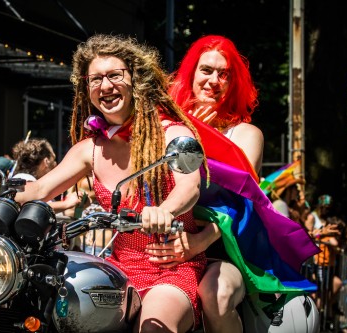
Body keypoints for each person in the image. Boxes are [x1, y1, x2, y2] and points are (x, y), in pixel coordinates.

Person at [12, 34, 207, 332]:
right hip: (117, 272)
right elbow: (38, 189)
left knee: (153, 327)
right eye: (95, 79)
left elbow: (189, 186)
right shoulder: (89, 149)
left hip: (172, 267)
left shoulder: (171, 133)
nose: (105, 86)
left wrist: (164, 210)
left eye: (115, 75)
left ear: (135, 80)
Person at [148, 35, 263, 333]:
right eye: (206, 70)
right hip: (166, 245)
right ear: (191, 74)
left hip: (223, 248)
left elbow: (244, 202)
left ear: (233, 83)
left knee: (216, 295)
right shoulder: (165, 125)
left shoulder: (246, 134)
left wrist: (199, 242)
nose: (214, 80)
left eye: (224, 74)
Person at [11, 138, 81, 214]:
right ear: (46, 162)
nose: (55, 164)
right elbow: (26, 206)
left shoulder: (31, 181)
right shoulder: (23, 178)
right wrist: (66, 203)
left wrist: (78, 206)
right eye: (54, 160)